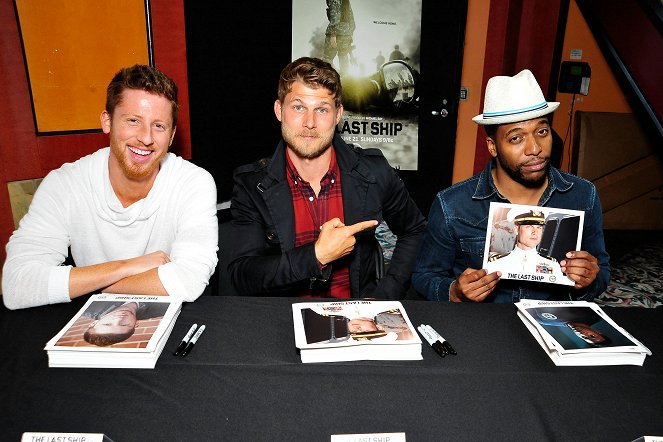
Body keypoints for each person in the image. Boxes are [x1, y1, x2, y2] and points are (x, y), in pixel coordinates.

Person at [2, 65, 218, 310]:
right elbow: (17, 286)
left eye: (159, 126)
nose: (146, 138)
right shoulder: (66, 184)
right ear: (107, 121)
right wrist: (128, 266)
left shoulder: (193, 182)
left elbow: (189, 280)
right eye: (133, 121)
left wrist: (87, 284)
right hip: (94, 322)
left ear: (171, 135)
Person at [228, 57, 425, 299]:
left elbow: (414, 229)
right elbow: (243, 275)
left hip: (356, 321)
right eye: (298, 107)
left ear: (338, 114)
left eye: (322, 109)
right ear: (279, 110)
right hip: (283, 321)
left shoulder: (373, 171)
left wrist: (387, 293)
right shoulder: (252, 184)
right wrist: (316, 256)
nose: (309, 123)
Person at [412, 69, 610, 303]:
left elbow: (601, 271)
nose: (535, 148)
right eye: (516, 138)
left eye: (542, 131)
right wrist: (454, 291)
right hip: (483, 325)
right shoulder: (453, 205)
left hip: (552, 324)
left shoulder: (582, 194)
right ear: (493, 146)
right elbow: (424, 276)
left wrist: (587, 279)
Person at [486, 209, 566, 281]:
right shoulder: (496, 264)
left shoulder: (552, 265)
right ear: (516, 229)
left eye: (539, 227)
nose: (535, 232)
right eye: (529, 226)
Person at [82, 300, 169, 346]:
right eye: (124, 325)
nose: (119, 319)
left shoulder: (88, 307)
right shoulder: (162, 309)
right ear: (136, 324)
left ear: (94, 323)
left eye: (107, 324)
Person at [323, 0, 356, 74]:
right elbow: (352, 19)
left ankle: (331, 78)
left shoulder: (334, 0)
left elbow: (335, 16)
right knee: (343, 57)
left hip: (336, 34)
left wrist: (333, 34)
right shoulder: (346, 1)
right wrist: (349, 34)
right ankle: (344, 80)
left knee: (327, 58)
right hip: (346, 33)